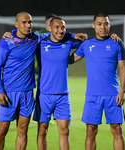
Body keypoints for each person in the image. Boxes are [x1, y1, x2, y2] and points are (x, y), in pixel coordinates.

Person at [0, 11, 87, 150]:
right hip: (9, 93)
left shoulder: (35, 38)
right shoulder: (7, 41)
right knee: (2, 130)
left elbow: (56, 34)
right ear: (16, 24)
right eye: (24, 22)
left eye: (29, 22)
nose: (27, 25)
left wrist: (73, 35)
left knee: (23, 130)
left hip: (27, 93)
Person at [69, 12, 125, 150]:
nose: (103, 27)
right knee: (90, 131)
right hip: (92, 95)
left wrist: (122, 91)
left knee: (117, 129)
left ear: (109, 25)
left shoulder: (117, 43)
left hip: (113, 94)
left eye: (106, 24)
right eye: (99, 24)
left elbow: (123, 68)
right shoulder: (86, 44)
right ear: (93, 25)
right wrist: (59, 45)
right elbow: (70, 60)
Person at [33, 17, 82, 150]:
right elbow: (23, 37)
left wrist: (109, 36)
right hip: (44, 95)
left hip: (63, 96)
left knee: (65, 131)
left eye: (63, 28)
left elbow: (89, 44)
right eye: (57, 27)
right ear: (49, 28)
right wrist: (9, 34)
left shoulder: (68, 43)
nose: (60, 30)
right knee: (42, 131)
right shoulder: (39, 43)